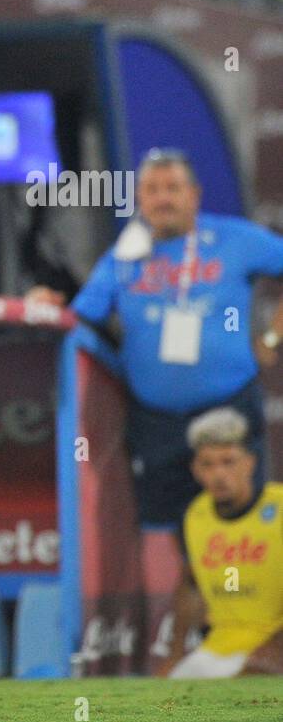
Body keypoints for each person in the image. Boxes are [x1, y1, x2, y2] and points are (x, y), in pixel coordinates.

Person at [29, 148, 283, 670]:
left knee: (247, 522)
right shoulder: (124, 257)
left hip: (229, 407)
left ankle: (261, 643)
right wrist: (45, 305)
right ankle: (173, 646)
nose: (162, 199)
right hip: (156, 420)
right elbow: (83, 321)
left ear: (195, 196)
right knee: (171, 530)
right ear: (139, 199)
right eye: (151, 190)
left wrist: (273, 335)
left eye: (173, 188)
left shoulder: (235, 239)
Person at [159, 408, 283, 678]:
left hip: (271, 647)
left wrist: (275, 648)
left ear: (250, 462)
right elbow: (190, 584)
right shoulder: (195, 516)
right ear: (195, 470)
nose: (219, 474)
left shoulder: (279, 506)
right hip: (218, 649)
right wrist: (175, 654)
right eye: (208, 464)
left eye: (228, 462)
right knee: (162, 701)